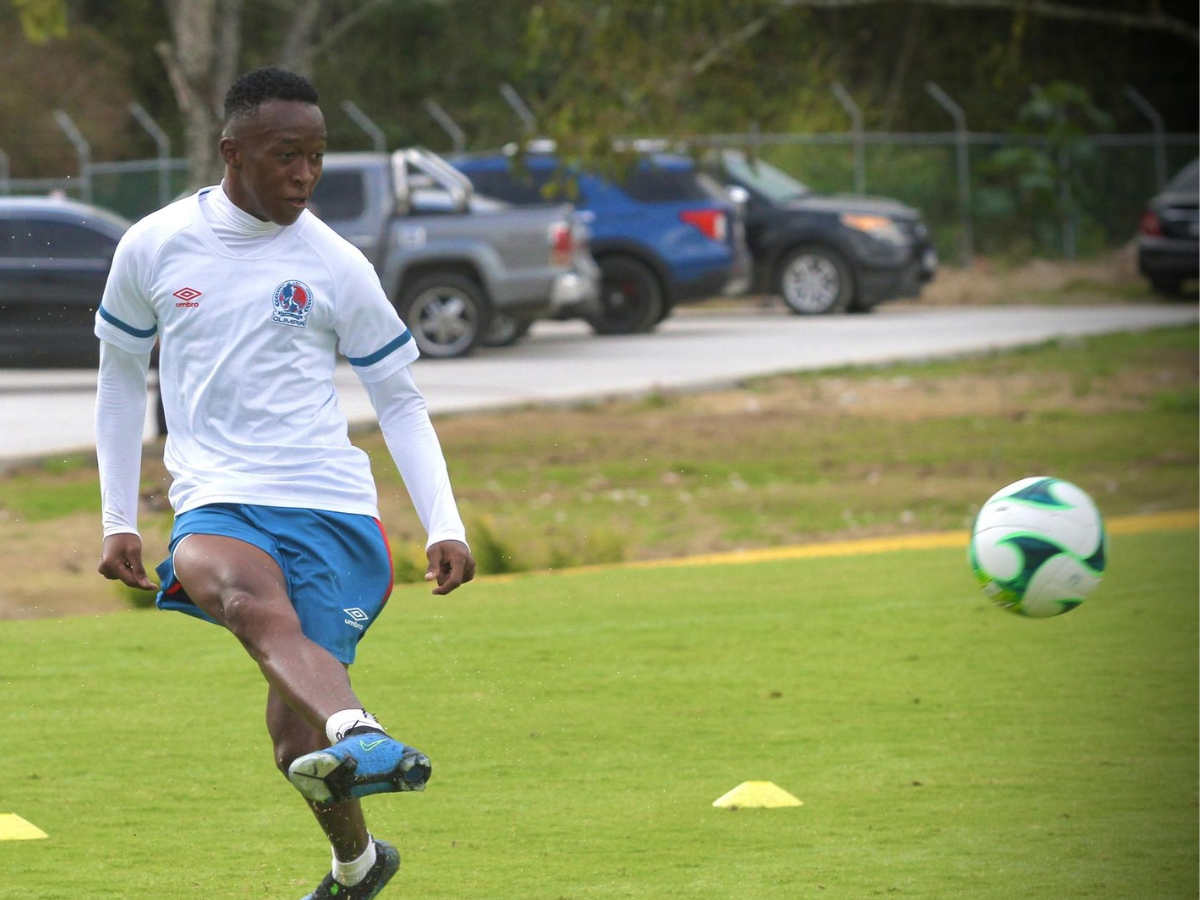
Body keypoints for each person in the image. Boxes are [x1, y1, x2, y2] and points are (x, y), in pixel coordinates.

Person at [94, 66, 475, 900]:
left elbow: (400, 401)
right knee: (238, 597)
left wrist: (445, 522)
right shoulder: (154, 244)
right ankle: (362, 729)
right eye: (285, 156)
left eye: (316, 158)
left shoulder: (335, 263)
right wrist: (117, 514)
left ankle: (359, 866)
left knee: (293, 750)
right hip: (216, 498)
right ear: (232, 152)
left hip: (332, 512)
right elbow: (120, 378)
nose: (304, 175)